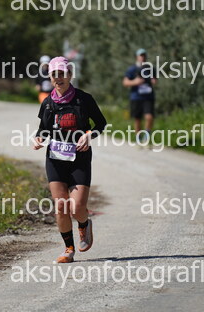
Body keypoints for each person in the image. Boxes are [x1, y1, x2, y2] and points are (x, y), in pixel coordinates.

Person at [33, 56, 107, 263]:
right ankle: (68, 249)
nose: (58, 78)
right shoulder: (48, 103)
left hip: (79, 158)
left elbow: (101, 124)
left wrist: (89, 135)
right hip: (55, 159)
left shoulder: (84, 99)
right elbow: (43, 129)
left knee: (77, 207)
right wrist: (39, 139)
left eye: (62, 74)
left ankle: (84, 224)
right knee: (61, 206)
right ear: (50, 77)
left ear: (70, 75)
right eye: (54, 74)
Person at [123, 48, 157, 144]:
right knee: (137, 119)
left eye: (144, 55)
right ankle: (138, 138)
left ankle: (146, 136)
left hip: (148, 97)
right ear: (137, 57)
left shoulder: (151, 68)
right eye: (141, 55)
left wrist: (153, 81)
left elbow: (155, 80)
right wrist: (135, 82)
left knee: (149, 117)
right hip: (136, 97)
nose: (143, 57)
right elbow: (125, 82)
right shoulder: (132, 69)